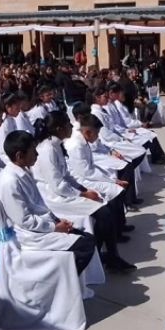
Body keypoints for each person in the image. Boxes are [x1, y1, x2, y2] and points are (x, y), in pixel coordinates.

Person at [33, 112, 135, 271]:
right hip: (54, 197)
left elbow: (67, 175)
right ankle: (106, 257)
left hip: (64, 191)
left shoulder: (56, 145)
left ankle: (107, 255)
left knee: (104, 208)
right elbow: (57, 186)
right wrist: (83, 194)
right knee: (104, 213)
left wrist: (84, 189)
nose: (72, 126)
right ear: (59, 129)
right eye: (68, 124)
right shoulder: (48, 150)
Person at [0, 131, 96, 275]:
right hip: (29, 234)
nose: (37, 154)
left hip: (41, 224)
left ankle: (67, 280)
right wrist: (54, 227)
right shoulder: (10, 181)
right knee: (85, 246)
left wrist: (57, 221)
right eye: (32, 151)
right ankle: (60, 282)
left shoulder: (23, 171)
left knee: (88, 237)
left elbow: (38, 206)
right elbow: (25, 220)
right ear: (19, 156)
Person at [106, 82, 165, 164]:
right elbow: (116, 125)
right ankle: (146, 158)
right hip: (121, 133)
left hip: (125, 130)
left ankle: (158, 156)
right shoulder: (109, 107)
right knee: (148, 138)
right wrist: (129, 129)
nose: (119, 96)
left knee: (151, 134)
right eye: (118, 94)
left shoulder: (115, 104)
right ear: (111, 93)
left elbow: (123, 121)